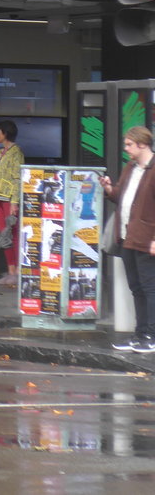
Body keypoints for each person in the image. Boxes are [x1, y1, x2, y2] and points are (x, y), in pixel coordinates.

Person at [102, 125, 155, 354]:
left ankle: (151, 336)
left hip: (146, 238)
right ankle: (140, 333)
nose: (126, 149)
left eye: (129, 145)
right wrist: (107, 188)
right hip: (126, 236)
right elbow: (119, 196)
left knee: (149, 287)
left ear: (142, 144)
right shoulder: (130, 167)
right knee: (136, 287)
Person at [0, 119, 24, 286]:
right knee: (4, 234)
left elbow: (18, 179)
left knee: (12, 234)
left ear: (5, 134)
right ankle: (10, 270)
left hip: (9, 200)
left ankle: (16, 271)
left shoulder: (16, 153)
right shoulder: (1, 152)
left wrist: (15, 202)